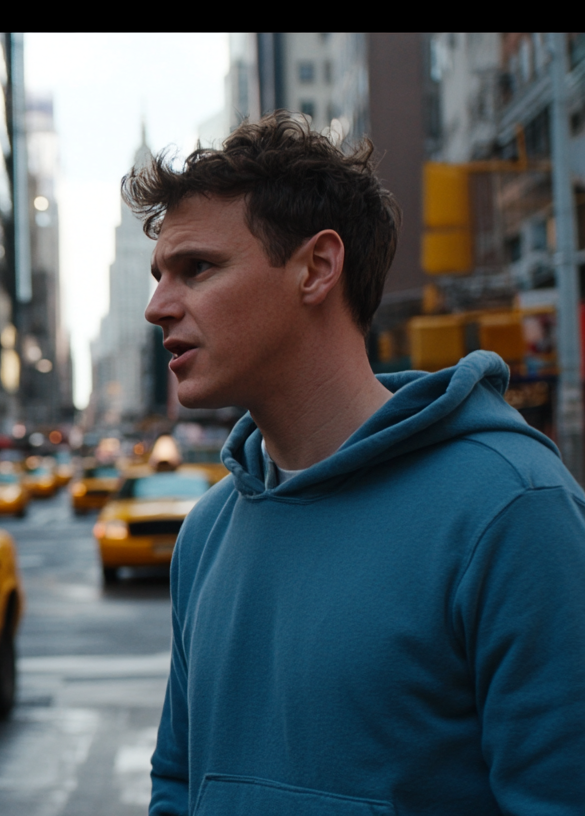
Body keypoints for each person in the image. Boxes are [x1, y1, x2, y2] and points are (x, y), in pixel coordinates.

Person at [130, 113, 585, 815]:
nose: (159, 306)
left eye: (198, 268)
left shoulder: (512, 508)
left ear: (316, 267)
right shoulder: (207, 534)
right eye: (160, 274)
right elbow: (177, 786)